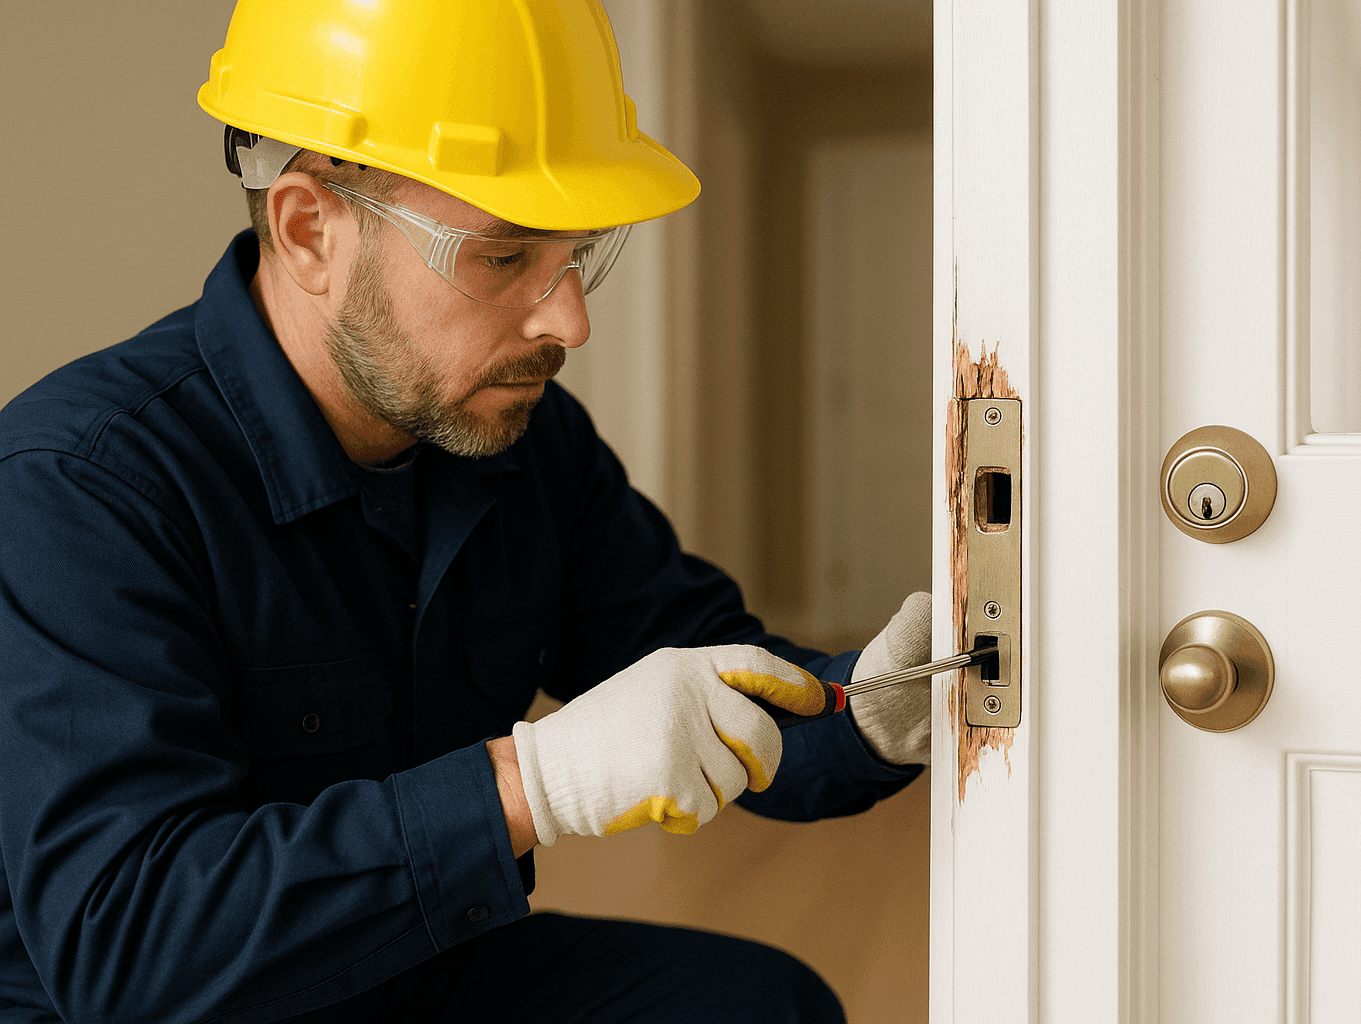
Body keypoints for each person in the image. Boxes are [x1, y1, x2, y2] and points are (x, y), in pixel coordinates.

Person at [0, 2, 935, 1022]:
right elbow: (130, 951)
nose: (570, 318)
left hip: (404, 967)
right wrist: (532, 783)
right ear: (309, 231)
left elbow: (710, 673)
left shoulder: (524, 439)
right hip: (180, 1002)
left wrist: (872, 712)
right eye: (502, 257)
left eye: (578, 254)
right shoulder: (82, 487)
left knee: (762, 1006)